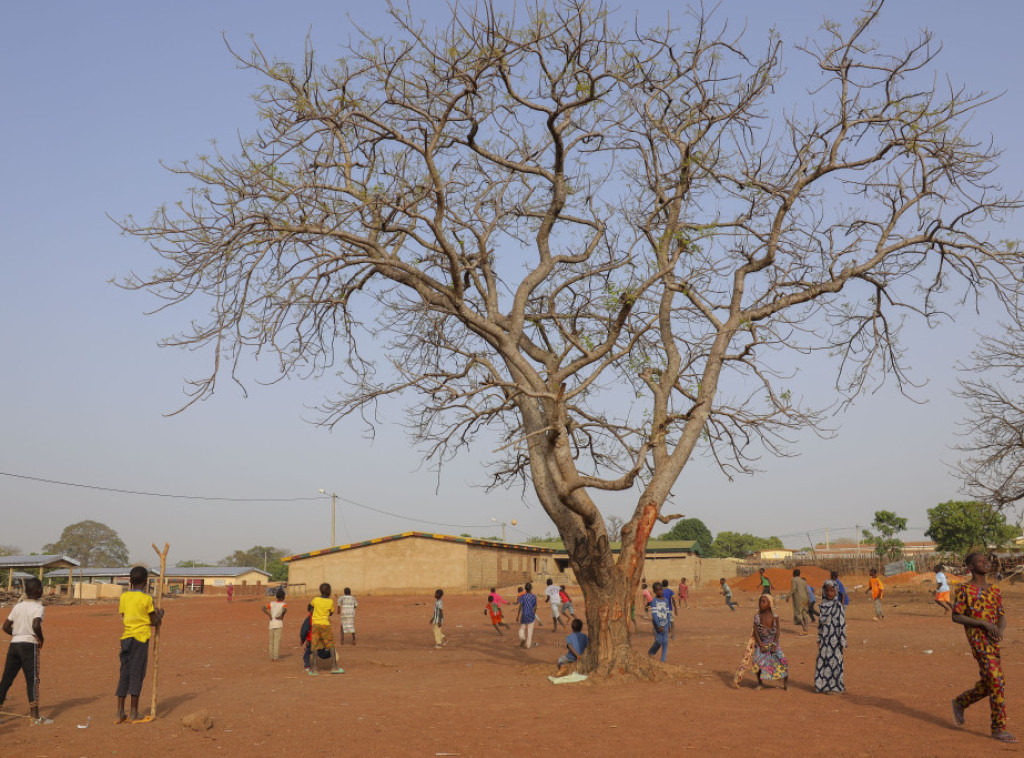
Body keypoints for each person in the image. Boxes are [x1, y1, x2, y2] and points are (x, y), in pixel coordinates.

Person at [951, 552, 1016, 744]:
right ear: (970, 567)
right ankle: (999, 728)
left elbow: (1001, 614)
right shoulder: (965, 590)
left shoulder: (994, 590)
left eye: (986, 560)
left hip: (992, 641)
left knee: (996, 681)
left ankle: (961, 702)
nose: (986, 562)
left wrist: (1000, 629)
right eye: (980, 560)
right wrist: (984, 624)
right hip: (978, 641)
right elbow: (956, 616)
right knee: (996, 679)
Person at [115, 566, 164, 723]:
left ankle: (120, 712)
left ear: (130, 581)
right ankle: (134, 712)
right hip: (140, 640)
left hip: (126, 639)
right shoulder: (147, 599)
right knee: (137, 673)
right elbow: (153, 621)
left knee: (125, 673)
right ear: (145, 582)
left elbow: (124, 615)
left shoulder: (124, 597)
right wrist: (160, 614)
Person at [0, 577, 50, 725]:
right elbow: (36, 625)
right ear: (39, 591)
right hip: (29, 646)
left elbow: (6, 627)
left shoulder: (18, 606)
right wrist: (41, 638)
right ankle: (35, 716)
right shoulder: (38, 607)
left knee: (6, 680)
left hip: (14, 645)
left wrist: (18, 634)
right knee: (32, 680)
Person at [750, 593, 788, 690]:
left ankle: (786, 683)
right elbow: (755, 631)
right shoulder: (757, 617)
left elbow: (778, 631)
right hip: (762, 643)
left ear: (769, 604)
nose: (761, 604)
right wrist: (761, 644)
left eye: (763, 602)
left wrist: (774, 644)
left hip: (773, 642)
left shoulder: (775, 616)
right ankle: (760, 683)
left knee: (782, 660)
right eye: (760, 601)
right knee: (756, 662)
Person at [814, 580, 847, 694]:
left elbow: (842, 623)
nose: (829, 593)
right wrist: (819, 638)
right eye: (827, 590)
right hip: (824, 639)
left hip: (835, 639)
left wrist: (842, 640)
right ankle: (822, 686)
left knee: (835, 662)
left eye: (832, 590)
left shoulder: (838, 606)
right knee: (823, 661)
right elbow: (820, 624)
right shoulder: (822, 605)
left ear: (836, 591)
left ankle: (836, 687)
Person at [307, 583, 344, 674]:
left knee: (315, 646)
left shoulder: (315, 599)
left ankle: (315, 668)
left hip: (316, 624)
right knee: (331, 645)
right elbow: (331, 613)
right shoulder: (330, 601)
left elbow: (310, 608)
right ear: (328, 591)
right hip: (325, 625)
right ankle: (334, 667)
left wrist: (315, 612)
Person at [262, 588, 287, 661]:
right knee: (276, 642)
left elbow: (263, 608)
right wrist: (282, 615)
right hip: (279, 624)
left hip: (272, 624)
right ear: (283, 597)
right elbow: (284, 610)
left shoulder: (272, 603)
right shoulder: (284, 604)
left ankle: (272, 657)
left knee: (271, 642)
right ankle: (275, 657)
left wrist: (269, 615)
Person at [648, 583, 670, 662]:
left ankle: (663, 660)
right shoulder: (654, 601)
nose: (660, 591)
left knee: (665, 642)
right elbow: (654, 614)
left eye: (661, 589)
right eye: (657, 590)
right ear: (654, 591)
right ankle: (651, 652)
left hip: (666, 624)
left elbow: (667, 613)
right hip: (657, 626)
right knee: (658, 641)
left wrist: (669, 625)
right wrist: (658, 625)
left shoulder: (666, 601)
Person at [789, 569, 810, 634]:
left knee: (798, 613)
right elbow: (807, 590)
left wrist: (788, 596)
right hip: (805, 598)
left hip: (798, 598)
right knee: (804, 613)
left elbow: (793, 588)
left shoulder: (793, 579)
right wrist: (808, 599)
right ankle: (806, 627)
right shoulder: (803, 581)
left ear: (794, 574)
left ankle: (803, 626)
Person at [518, 583, 538, 648]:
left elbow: (520, 606)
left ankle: (522, 638)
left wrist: (518, 615)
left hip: (524, 614)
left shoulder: (522, 596)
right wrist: (534, 613)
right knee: (530, 630)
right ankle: (528, 645)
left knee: (522, 628)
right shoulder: (534, 596)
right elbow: (535, 607)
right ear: (531, 588)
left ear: (525, 589)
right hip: (531, 614)